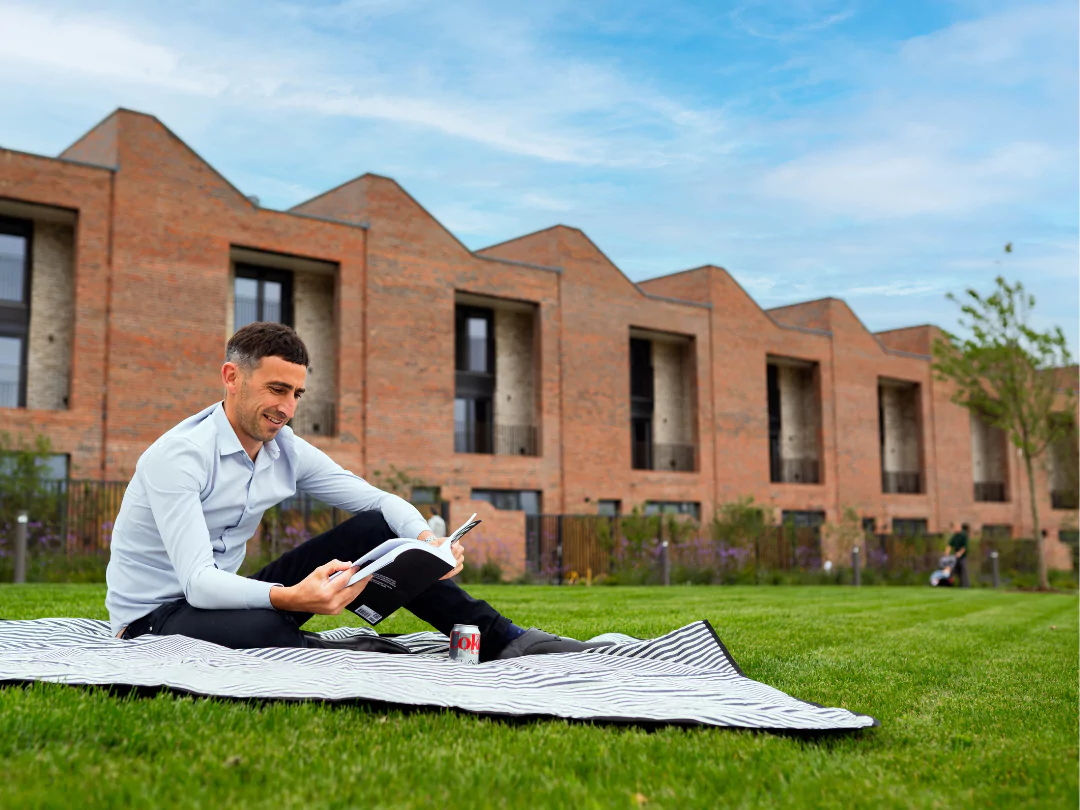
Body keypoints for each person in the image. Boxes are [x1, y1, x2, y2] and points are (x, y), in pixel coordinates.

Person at [105, 322, 601, 661]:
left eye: (296, 394)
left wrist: (427, 542)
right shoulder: (179, 456)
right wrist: (289, 597)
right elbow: (196, 583)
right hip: (154, 619)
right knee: (268, 629)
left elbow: (379, 502)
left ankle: (502, 638)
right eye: (277, 390)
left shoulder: (285, 448)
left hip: (219, 598)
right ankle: (342, 653)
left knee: (380, 531)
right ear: (232, 378)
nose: (287, 408)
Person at [946, 522, 970, 588]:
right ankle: (950, 584)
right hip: (955, 557)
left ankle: (966, 585)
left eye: (955, 528)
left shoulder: (963, 535)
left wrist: (960, 553)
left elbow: (965, 547)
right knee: (954, 570)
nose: (954, 529)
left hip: (962, 557)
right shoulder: (955, 536)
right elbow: (950, 544)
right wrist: (947, 552)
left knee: (963, 570)